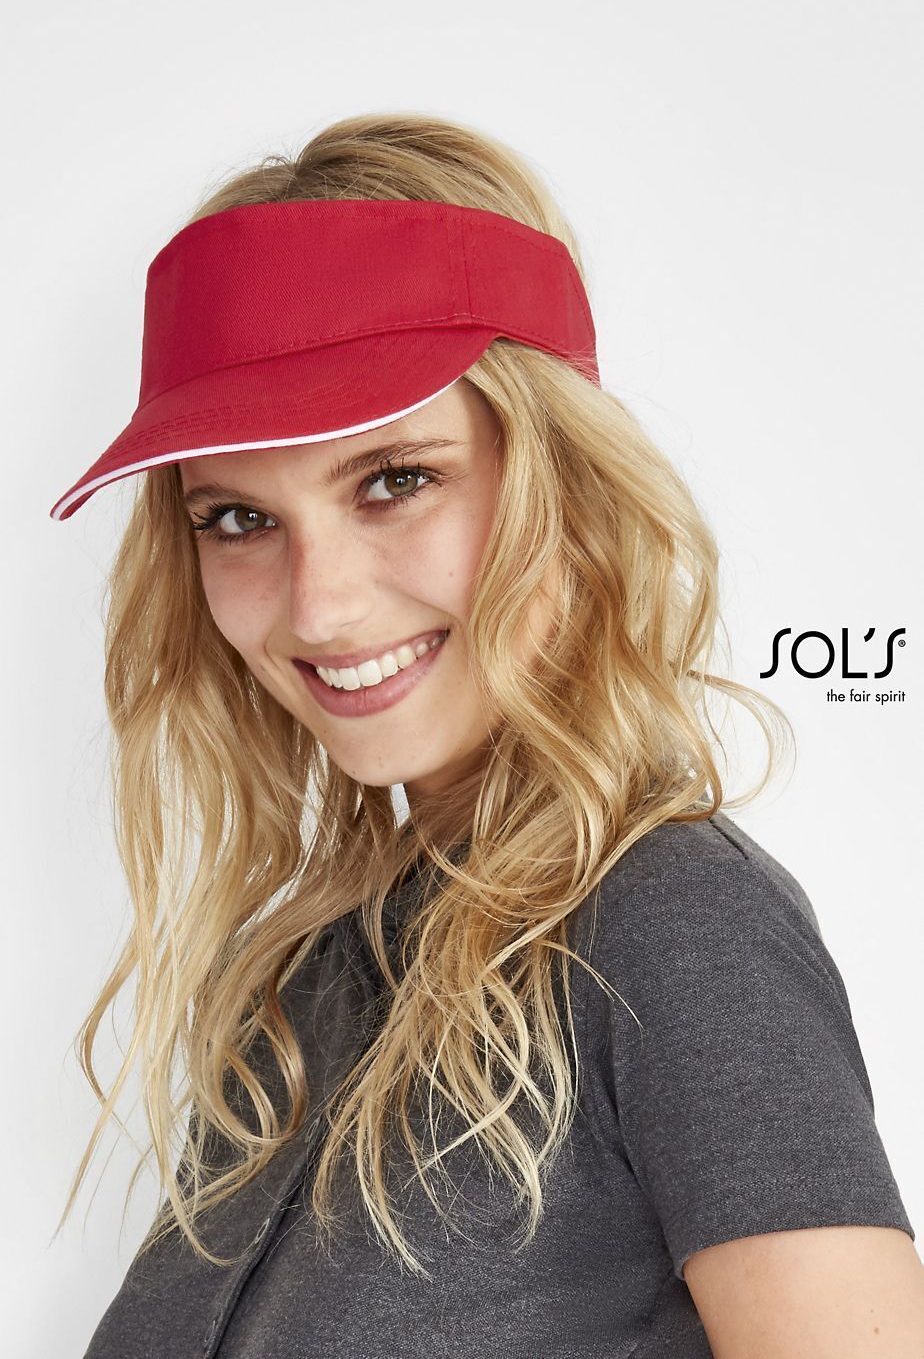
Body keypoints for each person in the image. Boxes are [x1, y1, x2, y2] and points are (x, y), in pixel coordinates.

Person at [52, 112, 923, 1358]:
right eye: (238, 517)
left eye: (395, 479)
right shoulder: (299, 989)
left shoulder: (673, 924)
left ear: (563, 484)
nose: (318, 605)